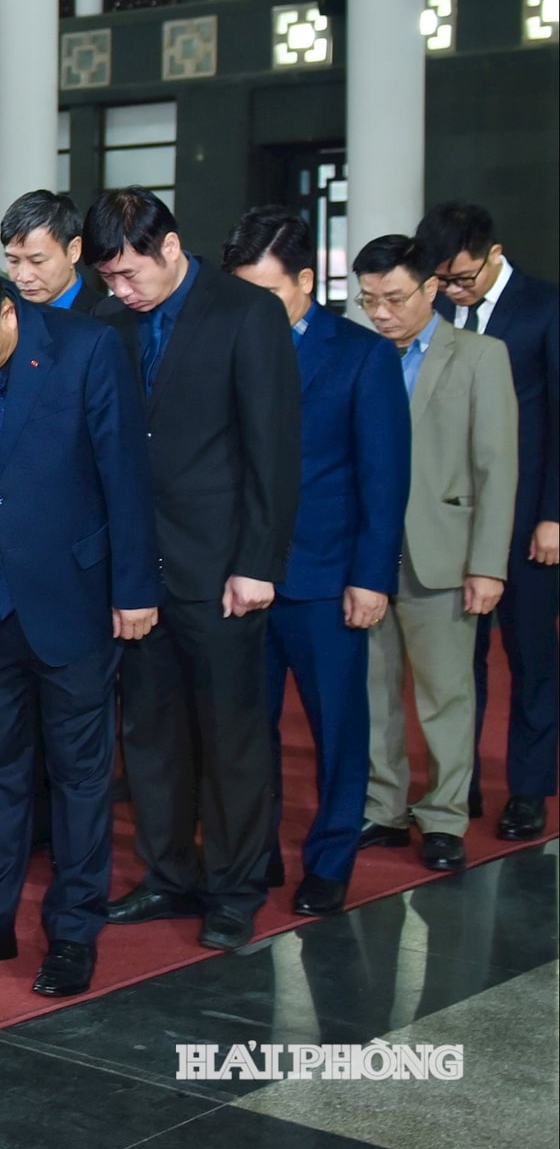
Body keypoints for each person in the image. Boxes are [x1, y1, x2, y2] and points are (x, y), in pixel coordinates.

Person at [0, 254, 158, 998]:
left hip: (72, 594)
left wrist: (134, 588)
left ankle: (75, 929)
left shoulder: (87, 348)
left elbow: (124, 475)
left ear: (6, 311)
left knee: (79, 777)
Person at [86, 186, 301, 952]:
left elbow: (271, 449)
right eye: (108, 277)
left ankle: (235, 886)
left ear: (170, 247)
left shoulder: (247, 313)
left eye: (129, 274)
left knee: (232, 735)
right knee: (151, 732)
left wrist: (256, 562)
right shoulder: (106, 321)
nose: (119, 290)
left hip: (222, 570)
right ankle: (168, 873)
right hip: (139, 573)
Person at [223, 208, 409, 917]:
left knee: (337, 729)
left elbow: (384, 477)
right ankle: (257, 849)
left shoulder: (361, 354)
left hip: (328, 577)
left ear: (306, 280)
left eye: (268, 295)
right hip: (242, 574)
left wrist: (372, 575)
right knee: (247, 727)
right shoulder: (228, 342)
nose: (253, 309)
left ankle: (331, 858)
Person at [354, 234, 517, 873]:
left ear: (431, 288)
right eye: (368, 301)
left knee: (446, 695)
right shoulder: (362, 355)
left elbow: (496, 466)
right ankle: (383, 808)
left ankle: (445, 816)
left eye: (394, 298)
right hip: (368, 557)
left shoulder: (480, 356)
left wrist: (487, 563)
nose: (382, 313)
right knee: (372, 694)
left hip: (444, 554)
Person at [416, 202, 558, 841]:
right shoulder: (436, 309)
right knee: (456, 660)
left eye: (461, 278)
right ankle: (459, 783)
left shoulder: (544, 306)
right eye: (441, 279)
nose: (451, 290)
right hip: (451, 522)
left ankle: (528, 790)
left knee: (531, 659)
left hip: (528, 521)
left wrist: (552, 515)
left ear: (494, 252)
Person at [0, 190, 103, 314]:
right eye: (14, 261)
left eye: (37, 262)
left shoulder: (106, 321)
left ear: (73, 251)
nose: (24, 277)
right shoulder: (0, 315)